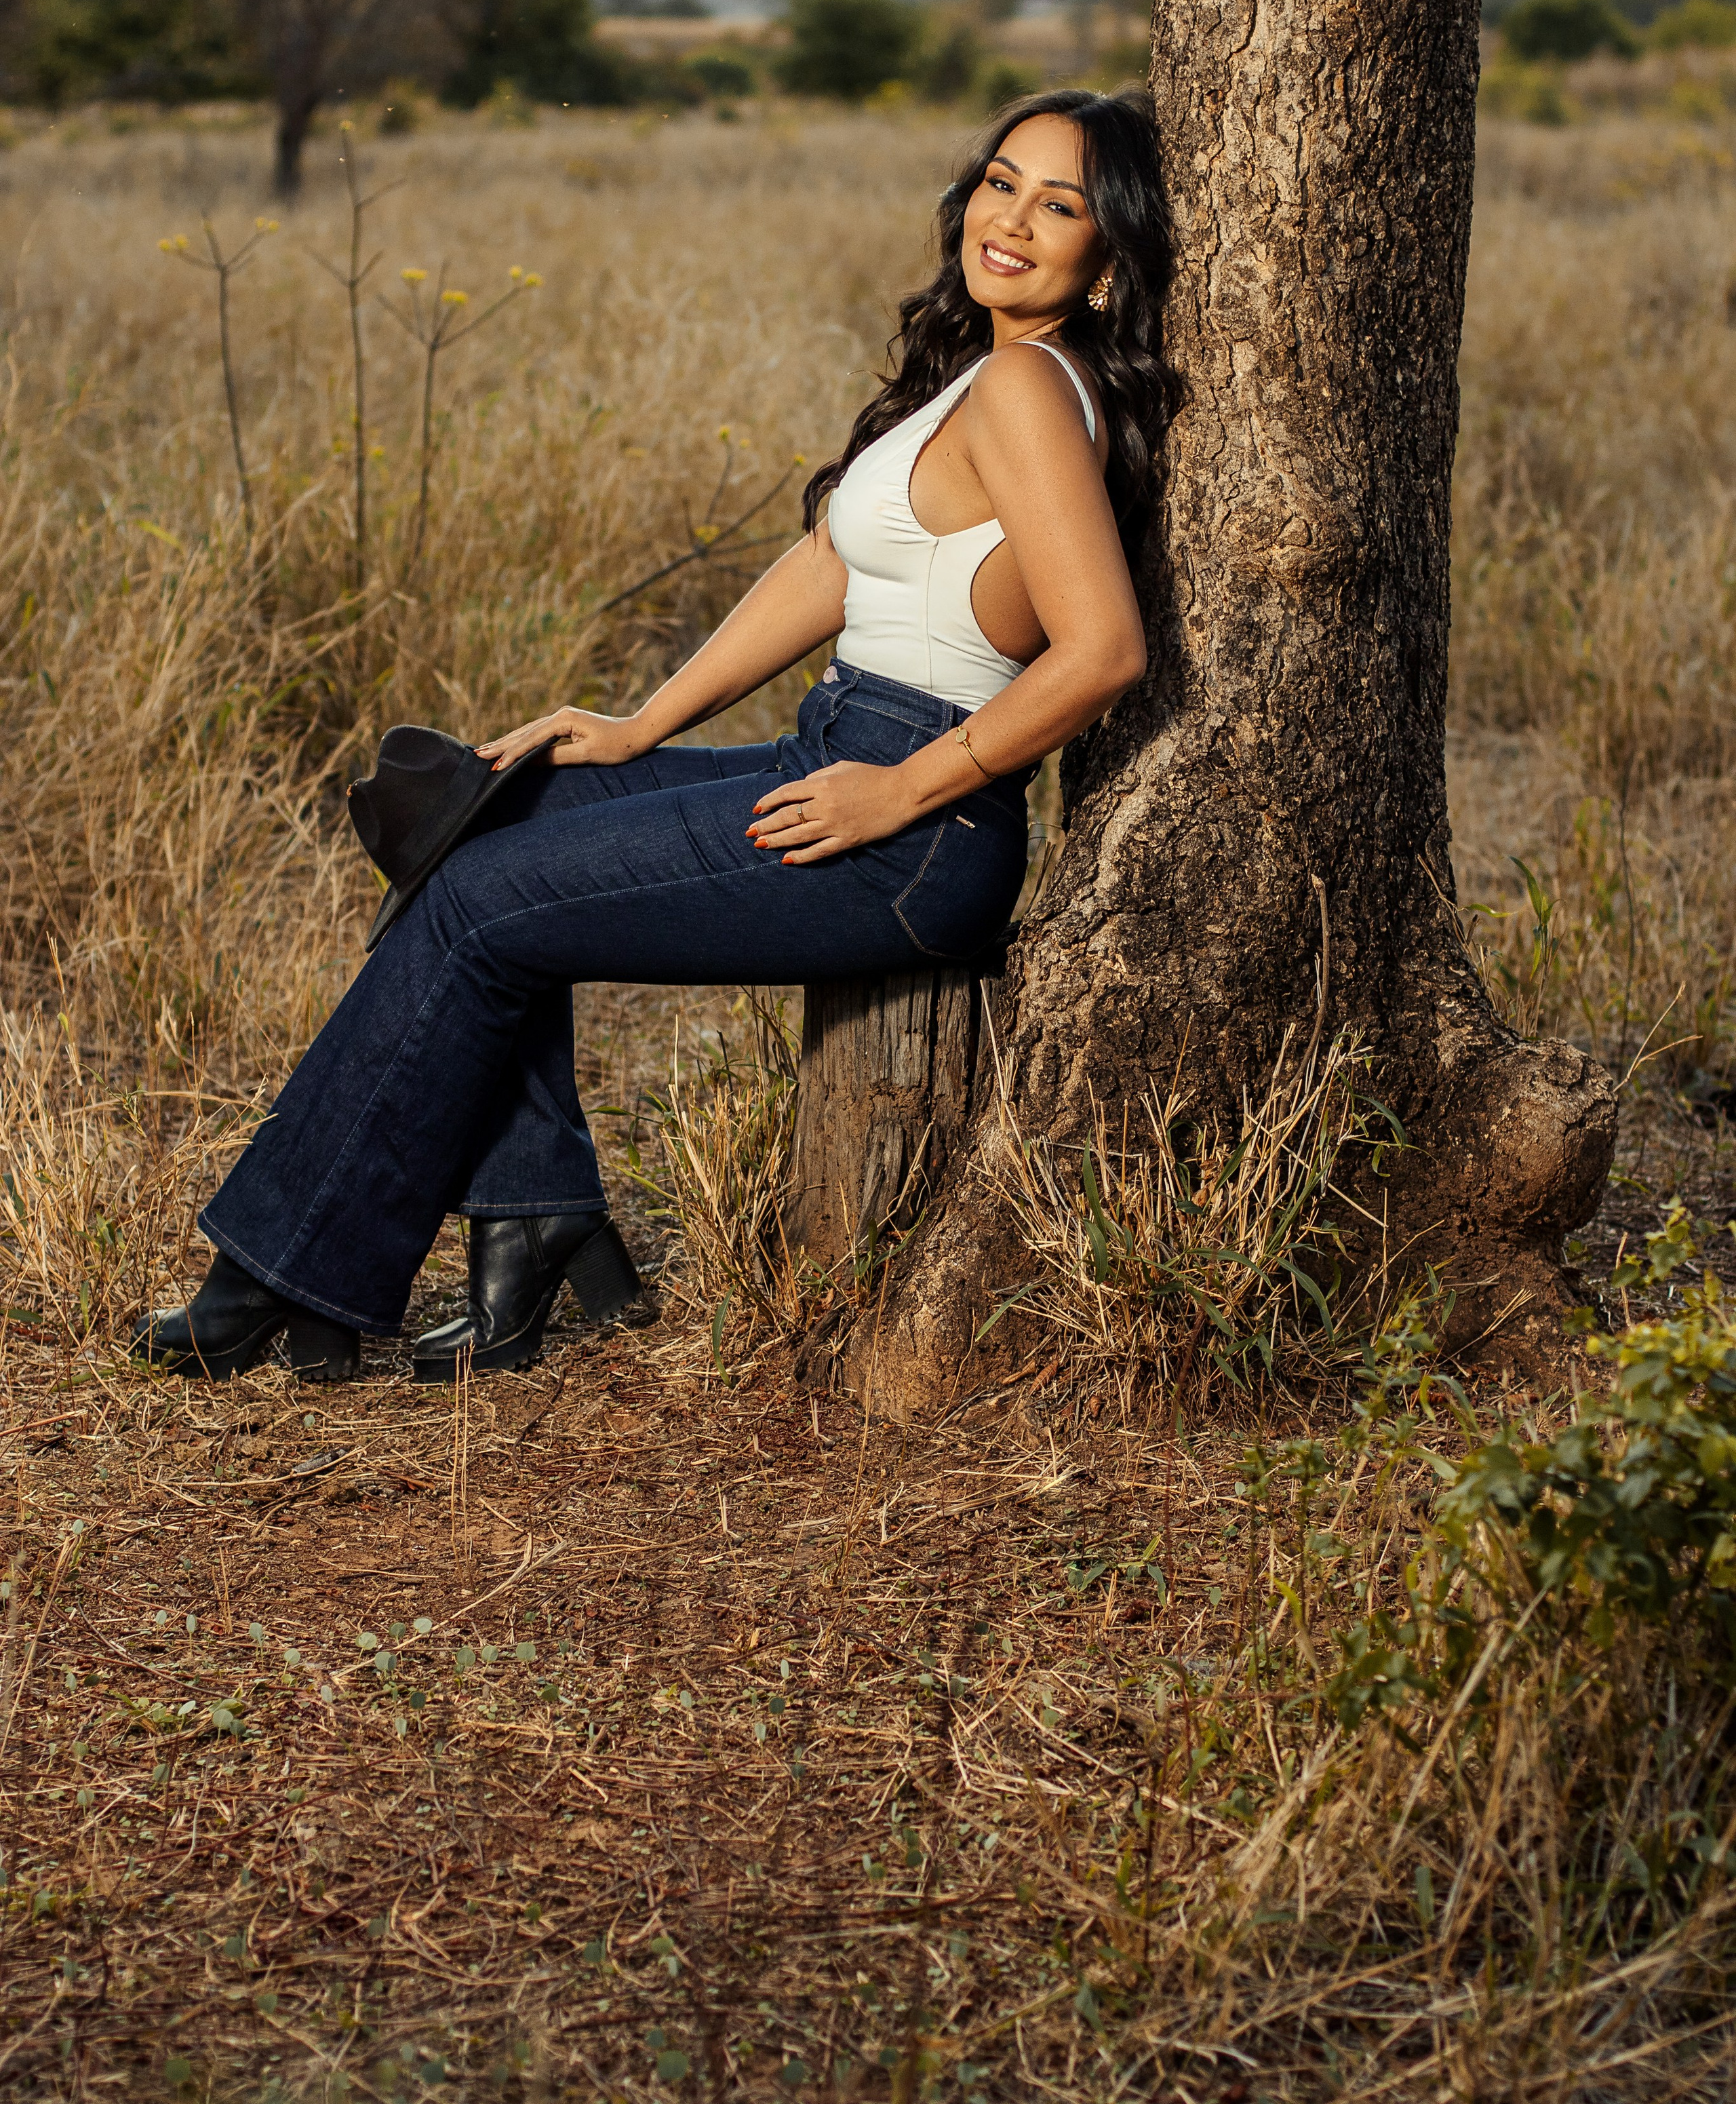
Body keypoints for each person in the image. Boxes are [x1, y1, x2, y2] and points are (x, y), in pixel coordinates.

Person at [132, 87, 1177, 1384]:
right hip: (842, 752)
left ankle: (279, 1278)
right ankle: (538, 1223)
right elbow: (828, 567)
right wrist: (637, 726)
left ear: (1109, 255)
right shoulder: (982, 372)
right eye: (1001, 182)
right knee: (495, 804)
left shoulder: (1028, 384)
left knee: (477, 906)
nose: (1009, 220)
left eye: (1058, 205)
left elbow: (1104, 651)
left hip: (912, 823)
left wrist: (905, 790)